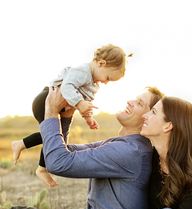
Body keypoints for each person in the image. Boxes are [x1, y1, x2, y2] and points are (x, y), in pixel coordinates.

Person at [0, 86, 163, 209]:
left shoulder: (131, 152)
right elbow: (64, 152)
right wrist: (65, 118)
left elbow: (59, 163)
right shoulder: (123, 145)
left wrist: (51, 113)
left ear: (148, 117)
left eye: (139, 103)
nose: (130, 101)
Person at [12, 44, 130, 187]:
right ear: (101, 63)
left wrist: (88, 118)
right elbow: (67, 86)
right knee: (53, 137)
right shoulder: (82, 71)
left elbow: (86, 102)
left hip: (61, 107)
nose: (105, 82)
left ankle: (38, 164)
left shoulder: (94, 84)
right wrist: (79, 104)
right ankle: (34, 159)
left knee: (58, 139)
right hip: (46, 100)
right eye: (107, 78)